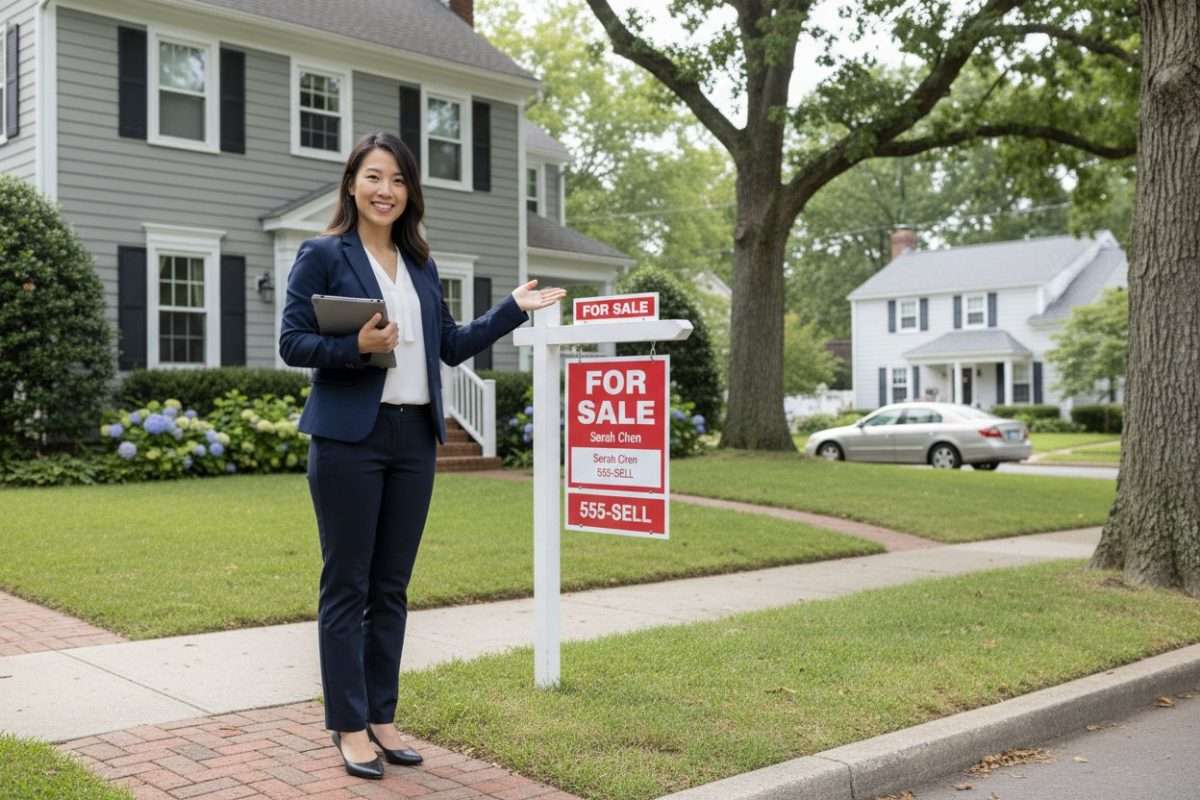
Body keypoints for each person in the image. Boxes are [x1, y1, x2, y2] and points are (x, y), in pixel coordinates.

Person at [279, 131, 565, 780]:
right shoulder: (323, 253)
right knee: (347, 585)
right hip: (349, 440)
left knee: (392, 587)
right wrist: (356, 346)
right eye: (374, 177)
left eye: (399, 180)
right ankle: (348, 725)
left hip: (413, 440)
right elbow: (293, 342)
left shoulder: (421, 265)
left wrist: (512, 309)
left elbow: (452, 346)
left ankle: (382, 717)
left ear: (410, 192)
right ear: (352, 184)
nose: (386, 190)